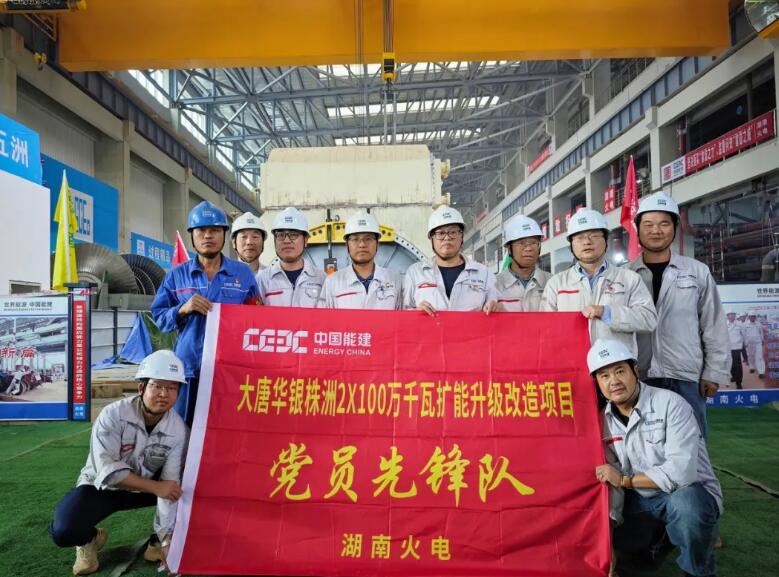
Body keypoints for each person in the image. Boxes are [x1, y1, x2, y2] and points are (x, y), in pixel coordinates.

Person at [48, 350, 189, 576]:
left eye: (172, 388)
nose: (164, 394)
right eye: (157, 386)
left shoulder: (177, 429)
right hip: (102, 488)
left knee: (184, 489)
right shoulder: (113, 415)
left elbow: (169, 483)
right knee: (64, 530)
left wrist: (166, 539)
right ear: (141, 388)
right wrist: (156, 487)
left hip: (144, 490)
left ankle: (158, 542)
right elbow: (107, 472)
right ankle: (90, 539)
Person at [590, 339, 722, 577]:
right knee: (619, 543)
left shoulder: (670, 404)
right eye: (604, 376)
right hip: (641, 500)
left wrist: (626, 480)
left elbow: (682, 473)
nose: (614, 381)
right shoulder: (602, 421)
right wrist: (607, 545)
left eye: (620, 371)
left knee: (687, 507)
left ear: (635, 371)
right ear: (598, 384)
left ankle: (698, 571)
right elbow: (612, 484)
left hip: (687, 494)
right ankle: (657, 546)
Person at [627, 191, 730, 438]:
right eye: (648, 224)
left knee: (692, 446)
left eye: (664, 224)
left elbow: (713, 324)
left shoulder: (697, 272)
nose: (656, 230)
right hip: (639, 377)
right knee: (643, 447)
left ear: (675, 228)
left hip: (685, 377)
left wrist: (714, 372)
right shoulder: (624, 276)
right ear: (638, 229)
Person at [151, 201, 260, 424]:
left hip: (229, 369)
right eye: (201, 230)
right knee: (183, 427)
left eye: (214, 230)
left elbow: (257, 320)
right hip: (188, 368)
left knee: (227, 426)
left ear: (224, 235)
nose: (208, 236)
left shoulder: (243, 274)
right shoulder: (177, 275)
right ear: (192, 235)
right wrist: (183, 309)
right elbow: (159, 318)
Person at [541, 208, 657, 353]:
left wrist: (607, 313)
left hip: (616, 364)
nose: (587, 242)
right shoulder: (556, 284)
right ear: (571, 245)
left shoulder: (629, 278)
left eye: (594, 236)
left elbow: (649, 319)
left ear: (606, 240)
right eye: (579, 238)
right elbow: (545, 329)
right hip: (572, 362)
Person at [403, 205, 498, 315]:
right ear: (431, 239)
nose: (447, 238)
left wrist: (494, 307)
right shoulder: (415, 273)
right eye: (440, 233)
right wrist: (415, 313)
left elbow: (494, 309)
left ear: (461, 236)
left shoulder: (484, 274)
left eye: (453, 232)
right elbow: (402, 314)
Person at [321, 212, 402, 309]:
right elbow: (323, 318)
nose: (362, 245)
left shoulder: (394, 280)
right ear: (347, 245)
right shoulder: (332, 282)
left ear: (377, 244)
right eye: (355, 239)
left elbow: (403, 317)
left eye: (368, 239)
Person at [256, 207, 326, 307]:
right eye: (281, 235)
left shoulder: (322, 280)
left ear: (306, 240)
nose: (286, 241)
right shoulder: (262, 280)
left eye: (293, 235)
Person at [495, 214, 550, 312]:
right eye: (521, 243)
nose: (528, 248)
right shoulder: (494, 285)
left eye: (533, 243)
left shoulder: (552, 282)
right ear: (509, 249)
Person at [742, 311, 765, 379]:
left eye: (754, 316)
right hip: (749, 344)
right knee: (750, 356)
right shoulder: (745, 324)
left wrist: (762, 340)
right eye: (751, 316)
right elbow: (743, 334)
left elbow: (761, 333)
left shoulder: (758, 324)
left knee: (759, 357)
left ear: (755, 317)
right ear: (749, 317)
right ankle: (752, 367)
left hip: (758, 343)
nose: (752, 317)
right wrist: (745, 343)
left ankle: (761, 372)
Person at [726, 312, 744, 389]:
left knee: (737, 366)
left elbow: (744, 335)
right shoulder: (724, 324)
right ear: (727, 316)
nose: (731, 316)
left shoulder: (739, 324)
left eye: (732, 315)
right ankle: (734, 376)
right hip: (728, 348)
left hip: (736, 348)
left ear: (735, 316)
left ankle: (739, 382)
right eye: (729, 315)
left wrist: (742, 345)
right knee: (730, 364)